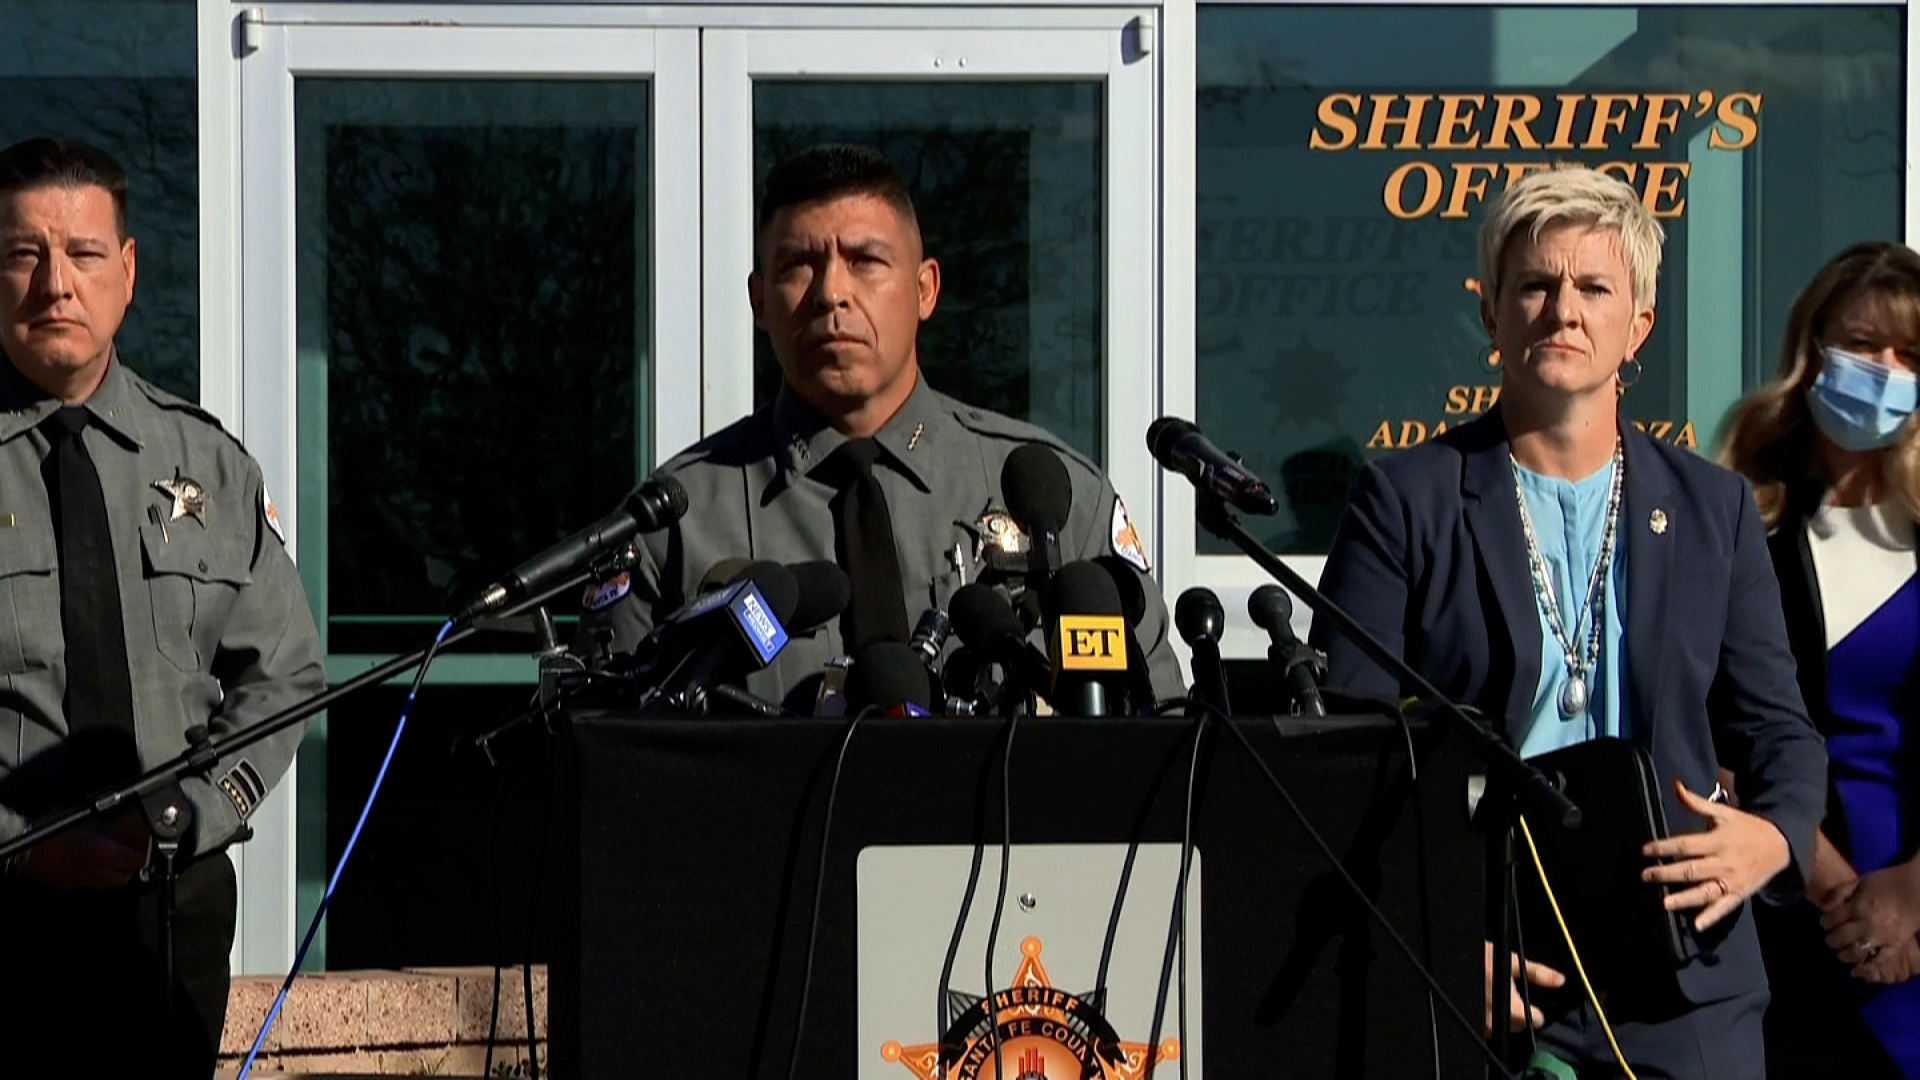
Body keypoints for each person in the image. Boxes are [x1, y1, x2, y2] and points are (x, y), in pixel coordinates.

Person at [1312, 165, 1826, 1078]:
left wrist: (1774, 837)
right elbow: (1346, 754)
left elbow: (1778, 727)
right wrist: (1432, 935)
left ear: (1640, 326)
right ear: (1492, 315)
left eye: (1594, 288)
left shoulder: (1715, 509)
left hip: (1685, 972)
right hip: (1485, 958)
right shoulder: (1404, 501)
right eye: (1536, 285)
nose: (1563, 310)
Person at [584, 144, 1184, 712]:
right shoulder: (678, 524)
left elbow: (1158, 731)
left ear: (925, 290)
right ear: (760, 302)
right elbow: (608, 757)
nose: (831, 293)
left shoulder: (1050, 498)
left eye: (866, 261)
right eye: (798, 265)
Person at [0, 137, 325, 1076]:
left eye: (84, 254)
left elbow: (286, 672)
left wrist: (197, 809)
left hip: (169, 907)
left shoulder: (208, 465)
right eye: (24, 254)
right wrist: (23, 850)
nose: (55, 284)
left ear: (129, 271)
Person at [1721, 240, 1920, 1078]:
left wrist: (1912, 896)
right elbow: (1715, 733)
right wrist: (1837, 893)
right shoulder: (1737, 522)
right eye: (1862, 345)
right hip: (1789, 922)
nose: (1884, 369)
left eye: (1909, 354)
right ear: (1811, 354)